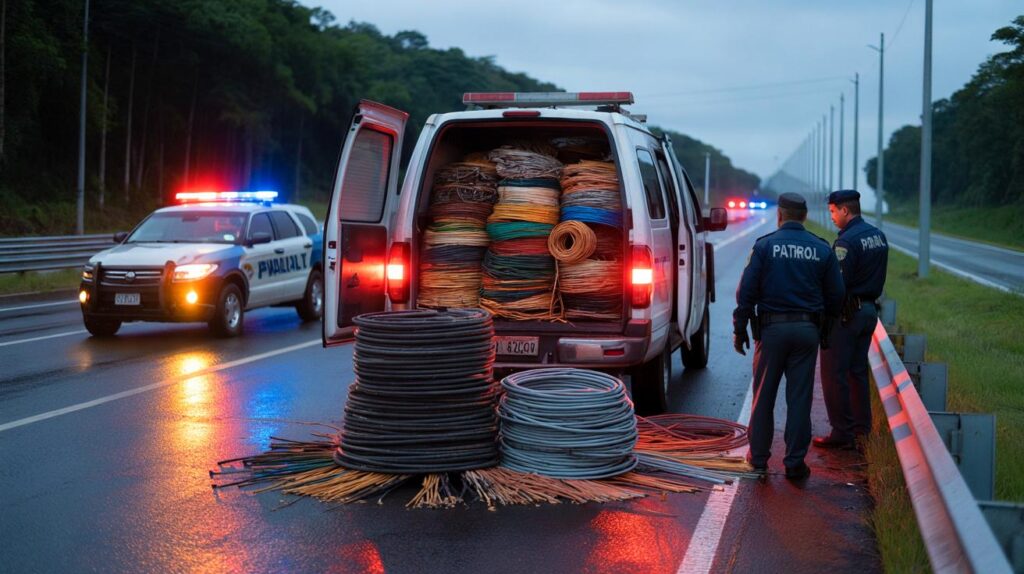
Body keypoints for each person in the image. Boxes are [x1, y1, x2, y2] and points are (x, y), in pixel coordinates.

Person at [734, 192, 844, 480]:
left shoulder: (765, 246)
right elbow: (836, 295)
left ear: (779, 215)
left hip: (771, 332)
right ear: (804, 217)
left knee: (764, 397)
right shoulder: (821, 249)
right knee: (799, 399)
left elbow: (746, 293)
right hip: (807, 332)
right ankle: (795, 463)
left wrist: (739, 328)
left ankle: (758, 459)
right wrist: (826, 330)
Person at [814, 190, 889, 450]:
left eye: (833, 211)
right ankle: (861, 428)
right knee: (856, 371)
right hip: (869, 312)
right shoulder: (877, 236)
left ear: (845, 210)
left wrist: (825, 318)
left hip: (848, 314)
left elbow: (839, 285)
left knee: (834, 373)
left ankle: (841, 432)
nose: (832, 216)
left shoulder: (846, 242)